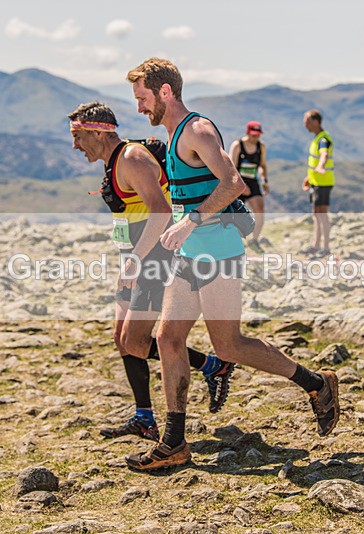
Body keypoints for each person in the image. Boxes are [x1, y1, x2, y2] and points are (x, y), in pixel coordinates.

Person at [125, 57, 340, 470]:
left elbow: (233, 183)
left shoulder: (197, 129)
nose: (139, 107)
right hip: (190, 254)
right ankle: (174, 443)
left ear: (165, 92)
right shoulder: (171, 136)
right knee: (169, 339)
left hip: (218, 252)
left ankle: (316, 383)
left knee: (229, 345)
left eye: (142, 98)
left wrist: (188, 222)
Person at [68, 102, 235, 443]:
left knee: (135, 340)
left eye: (77, 135)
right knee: (123, 340)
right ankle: (144, 418)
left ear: (98, 131)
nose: (74, 145)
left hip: (154, 258)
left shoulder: (131, 158)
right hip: (134, 257)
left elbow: (159, 211)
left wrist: (136, 259)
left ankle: (212, 366)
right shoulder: (114, 162)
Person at [228, 121, 268, 253]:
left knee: (260, 208)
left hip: (252, 181)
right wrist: (241, 185)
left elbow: (262, 165)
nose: (255, 138)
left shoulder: (261, 147)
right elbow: (231, 167)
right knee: (234, 212)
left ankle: (254, 239)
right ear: (247, 133)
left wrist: (264, 180)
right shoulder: (237, 145)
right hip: (238, 181)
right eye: (253, 135)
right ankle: (233, 240)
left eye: (258, 135)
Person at [301, 110, 334, 258]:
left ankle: (325, 247)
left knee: (322, 214)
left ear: (315, 121)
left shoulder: (323, 140)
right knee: (317, 214)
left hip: (323, 182)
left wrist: (321, 166)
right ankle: (316, 245)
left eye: (307, 121)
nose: (305, 124)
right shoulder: (317, 138)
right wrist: (309, 177)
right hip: (316, 182)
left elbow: (324, 155)